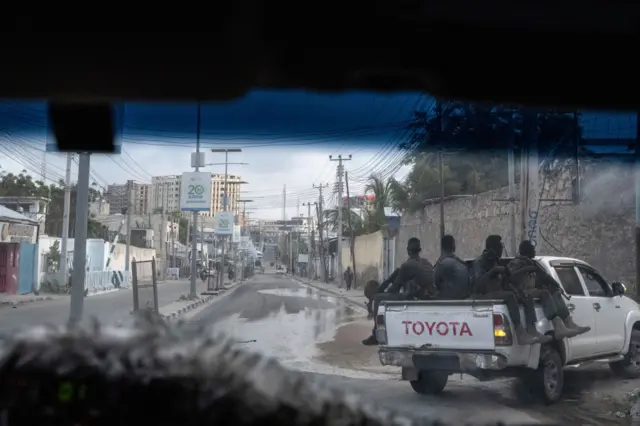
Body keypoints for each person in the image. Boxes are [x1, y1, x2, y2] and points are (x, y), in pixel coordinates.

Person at [472, 235, 548, 345]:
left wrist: (517, 290)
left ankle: (532, 329)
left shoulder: (494, 261)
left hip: (495, 292)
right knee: (509, 296)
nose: (502, 249)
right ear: (493, 248)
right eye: (500, 246)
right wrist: (493, 271)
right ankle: (520, 333)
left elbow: (506, 282)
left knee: (525, 295)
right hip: (482, 296)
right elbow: (477, 285)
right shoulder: (480, 262)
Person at [507, 240, 590, 339]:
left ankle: (567, 322)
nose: (535, 251)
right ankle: (558, 325)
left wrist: (554, 284)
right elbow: (509, 277)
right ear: (527, 250)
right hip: (520, 292)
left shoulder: (531, 262)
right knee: (545, 293)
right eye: (532, 249)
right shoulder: (517, 262)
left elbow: (542, 277)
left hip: (529, 290)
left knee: (552, 290)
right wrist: (526, 269)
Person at [362, 237, 435, 346]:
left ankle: (376, 335)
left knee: (378, 299)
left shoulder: (407, 265)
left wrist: (385, 287)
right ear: (419, 250)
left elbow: (394, 289)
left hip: (412, 298)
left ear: (408, 250)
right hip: (427, 297)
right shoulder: (427, 263)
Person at [434, 235, 470, 299]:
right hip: (464, 299)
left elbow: (434, 282)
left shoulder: (443, 263)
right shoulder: (461, 263)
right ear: (454, 247)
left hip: (449, 301)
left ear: (442, 247)